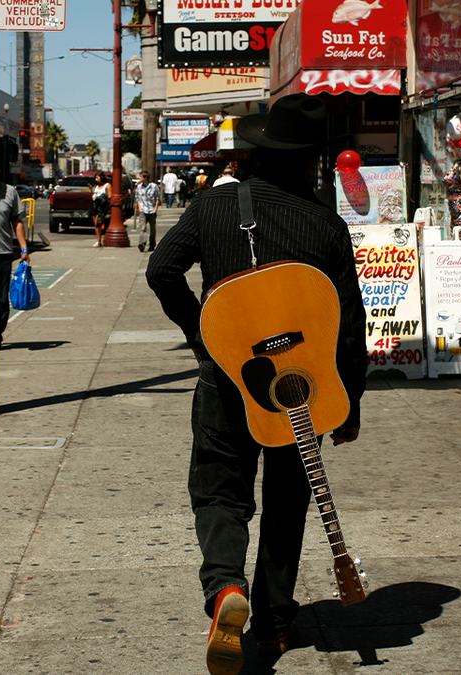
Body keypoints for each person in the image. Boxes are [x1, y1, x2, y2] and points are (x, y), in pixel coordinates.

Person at [146, 94, 366, 675]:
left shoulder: (210, 208)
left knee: (220, 489)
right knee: (289, 499)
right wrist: (350, 405)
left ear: (256, 153)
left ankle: (224, 588)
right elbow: (349, 326)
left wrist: (203, 333)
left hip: (228, 376)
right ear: (308, 160)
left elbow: (161, 270)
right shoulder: (326, 224)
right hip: (303, 388)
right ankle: (272, 623)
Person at [0, 159, 30, 347]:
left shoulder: (10, 192)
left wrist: (24, 248)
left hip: (2, 253)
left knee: (0, 298)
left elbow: (17, 222)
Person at [133, 171, 160, 252]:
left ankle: (152, 244)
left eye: (141, 176)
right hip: (143, 210)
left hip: (151, 210)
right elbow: (137, 198)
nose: (139, 178)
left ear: (145, 177)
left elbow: (157, 198)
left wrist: (155, 209)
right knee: (143, 228)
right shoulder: (139, 187)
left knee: (152, 228)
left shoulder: (154, 186)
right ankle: (142, 243)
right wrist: (139, 208)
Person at [90, 171, 110, 248]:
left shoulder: (107, 185)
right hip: (95, 205)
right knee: (96, 224)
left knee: (99, 223)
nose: (96, 179)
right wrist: (92, 191)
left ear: (102, 177)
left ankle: (98, 241)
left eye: (97, 177)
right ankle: (98, 240)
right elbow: (93, 194)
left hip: (102, 206)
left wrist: (100, 197)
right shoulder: (96, 186)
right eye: (95, 177)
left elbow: (109, 196)